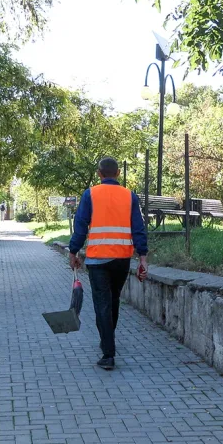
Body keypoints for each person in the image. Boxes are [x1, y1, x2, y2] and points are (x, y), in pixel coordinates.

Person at [68, 157, 148, 370]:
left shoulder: (90, 194)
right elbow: (138, 227)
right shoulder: (129, 196)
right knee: (113, 301)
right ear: (118, 173)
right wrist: (143, 258)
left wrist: (73, 251)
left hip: (98, 259)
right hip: (122, 259)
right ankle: (108, 342)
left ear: (99, 173)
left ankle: (108, 353)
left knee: (102, 304)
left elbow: (81, 225)